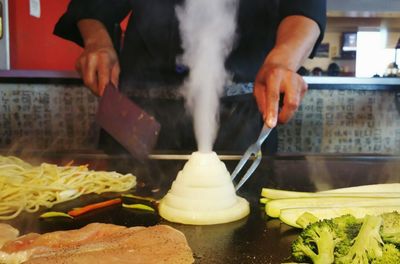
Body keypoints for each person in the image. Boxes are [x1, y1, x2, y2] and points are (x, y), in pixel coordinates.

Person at [54, 0, 326, 155]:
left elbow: (304, 10)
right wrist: (98, 42)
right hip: (139, 107)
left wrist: (283, 59)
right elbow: (90, 7)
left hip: (240, 111)